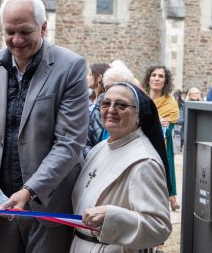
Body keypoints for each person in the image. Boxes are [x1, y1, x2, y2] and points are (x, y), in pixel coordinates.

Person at [0, 0, 89, 252]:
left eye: (25, 32)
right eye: (10, 32)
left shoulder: (70, 67)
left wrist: (29, 190)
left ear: (44, 28)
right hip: (0, 204)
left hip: (48, 203)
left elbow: (69, 143)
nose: (16, 40)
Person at [71, 82, 172, 252]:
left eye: (121, 105)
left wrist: (110, 216)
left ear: (139, 115)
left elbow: (159, 227)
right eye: (105, 103)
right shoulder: (100, 148)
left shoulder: (144, 161)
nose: (111, 110)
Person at [143, 65, 179, 212]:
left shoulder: (170, 103)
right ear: (148, 78)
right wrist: (156, 118)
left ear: (166, 81)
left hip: (160, 146)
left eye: (161, 76)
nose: (157, 79)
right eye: (154, 75)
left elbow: (168, 127)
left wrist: (153, 121)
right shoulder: (141, 97)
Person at [84, 65, 136, 158]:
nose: (111, 109)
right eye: (107, 88)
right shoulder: (101, 107)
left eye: (116, 87)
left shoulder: (132, 118)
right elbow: (89, 140)